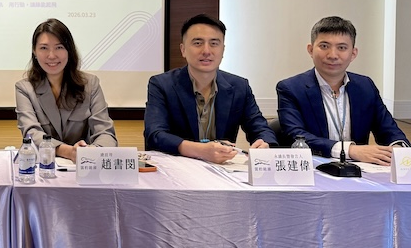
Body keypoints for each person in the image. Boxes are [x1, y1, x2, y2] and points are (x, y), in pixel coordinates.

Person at [277, 16, 408, 165]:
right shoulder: (291, 88)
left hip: (360, 171)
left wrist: (398, 150)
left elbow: (389, 130)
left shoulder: (365, 86)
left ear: (353, 53)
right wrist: (350, 150)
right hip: (315, 168)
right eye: (324, 46)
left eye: (342, 48)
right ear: (311, 50)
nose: (332, 55)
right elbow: (295, 136)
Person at [145, 13, 276, 163]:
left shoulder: (239, 86)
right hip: (176, 166)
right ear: (183, 49)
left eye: (214, 43)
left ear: (223, 50)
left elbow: (260, 128)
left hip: (223, 169)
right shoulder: (162, 85)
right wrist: (200, 150)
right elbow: (155, 135)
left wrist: (264, 143)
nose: (206, 51)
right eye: (198, 43)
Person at [15, 18, 117, 162]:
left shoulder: (90, 84)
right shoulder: (24, 88)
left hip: (85, 164)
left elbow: (105, 132)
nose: (52, 55)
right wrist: (69, 152)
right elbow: (31, 133)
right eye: (44, 48)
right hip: (44, 165)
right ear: (34, 52)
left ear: (69, 50)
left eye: (59, 47)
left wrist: (93, 151)